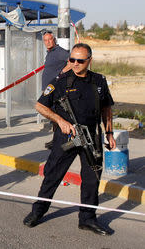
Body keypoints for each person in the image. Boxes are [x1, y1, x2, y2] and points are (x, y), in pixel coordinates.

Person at [23, 43, 116, 236]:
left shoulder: (99, 81)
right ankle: (38, 211)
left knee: (92, 179)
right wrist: (60, 121)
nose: (74, 63)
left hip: (92, 136)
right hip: (67, 136)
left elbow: (107, 108)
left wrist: (109, 133)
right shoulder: (60, 81)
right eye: (71, 59)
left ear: (89, 60)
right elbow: (40, 106)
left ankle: (88, 218)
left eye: (80, 61)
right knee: (53, 174)